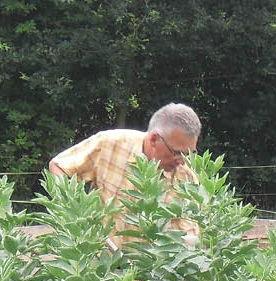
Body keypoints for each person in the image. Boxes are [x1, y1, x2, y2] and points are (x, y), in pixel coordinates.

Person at [48, 103, 201, 249]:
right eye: (177, 153)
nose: (183, 161)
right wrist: (73, 213)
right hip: (100, 261)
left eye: (189, 153)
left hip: (149, 266)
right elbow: (59, 166)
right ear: (154, 139)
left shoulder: (186, 178)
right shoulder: (110, 144)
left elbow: (189, 236)